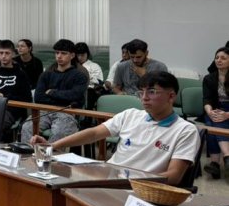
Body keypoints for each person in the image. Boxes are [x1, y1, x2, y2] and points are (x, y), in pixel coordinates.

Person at [30, 72, 198, 186]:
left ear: (171, 96)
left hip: (141, 188)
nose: (145, 98)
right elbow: (94, 133)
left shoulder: (185, 130)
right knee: (57, 179)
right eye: (141, 92)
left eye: (152, 92)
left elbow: (174, 177)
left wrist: (129, 181)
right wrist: (52, 145)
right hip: (109, 177)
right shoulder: (131, 115)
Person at [20, 39, 90, 144]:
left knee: (59, 131)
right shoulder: (46, 74)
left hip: (67, 113)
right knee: (27, 127)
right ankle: (29, 156)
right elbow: (39, 97)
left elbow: (75, 95)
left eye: (63, 53)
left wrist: (52, 93)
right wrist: (63, 98)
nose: (59, 56)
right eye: (57, 53)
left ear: (72, 55)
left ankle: (49, 157)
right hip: (44, 111)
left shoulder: (80, 76)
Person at [0, 39, 33, 141]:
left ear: (13, 54)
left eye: (7, 53)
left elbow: (27, 98)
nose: (4, 56)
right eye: (1, 53)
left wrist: (5, 98)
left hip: (9, 110)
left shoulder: (20, 74)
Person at [202, 46, 229, 179]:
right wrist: (210, 111)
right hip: (216, 108)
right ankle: (227, 158)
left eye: (223, 58)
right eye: (217, 57)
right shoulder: (209, 78)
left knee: (215, 124)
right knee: (212, 121)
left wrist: (227, 114)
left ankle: (215, 163)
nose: (219, 60)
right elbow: (206, 99)